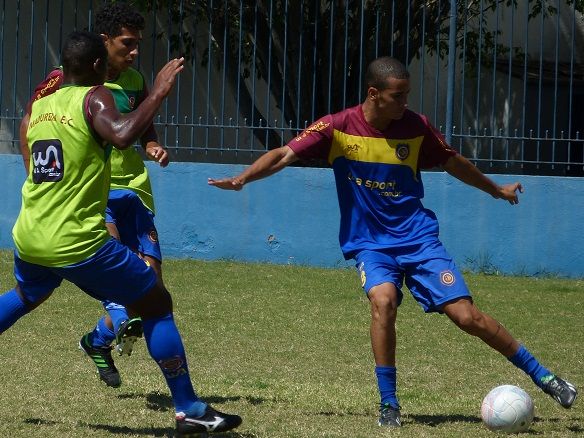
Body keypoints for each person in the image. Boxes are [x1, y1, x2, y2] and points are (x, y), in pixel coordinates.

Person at [208, 56, 578, 427]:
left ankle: (545, 377)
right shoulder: (336, 127)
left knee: (468, 317)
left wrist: (496, 190)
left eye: (407, 96)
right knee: (382, 301)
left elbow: (453, 162)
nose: (405, 104)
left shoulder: (416, 128)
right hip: (371, 244)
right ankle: (389, 404)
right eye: (398, 96)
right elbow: (283, 155)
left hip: (418, 240)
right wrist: (244, 178)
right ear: (374, 94)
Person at [3, 31, 242, 436]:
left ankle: (120, 353)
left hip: (30, 232)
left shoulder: (43, 104)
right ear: (98, 67)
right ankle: (189, 409)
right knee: (155, 302)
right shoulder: (94, 97)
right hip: (75, 240)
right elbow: (122, 133)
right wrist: (160, 92)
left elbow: (35, 147)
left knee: (26, 295)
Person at [19, 3, 168, 388]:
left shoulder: (135, 80)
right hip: (89, 198)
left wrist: (152, 145)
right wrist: (37, 174)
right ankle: (184, 400)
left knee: (150, 288)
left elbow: (142, 124)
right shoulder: (66, 80)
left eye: (138, 44)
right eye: (127, 43)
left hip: (134, 190)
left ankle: (96, 341)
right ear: (104, 43)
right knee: (123, 285)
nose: (135, 51)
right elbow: (31, 122)